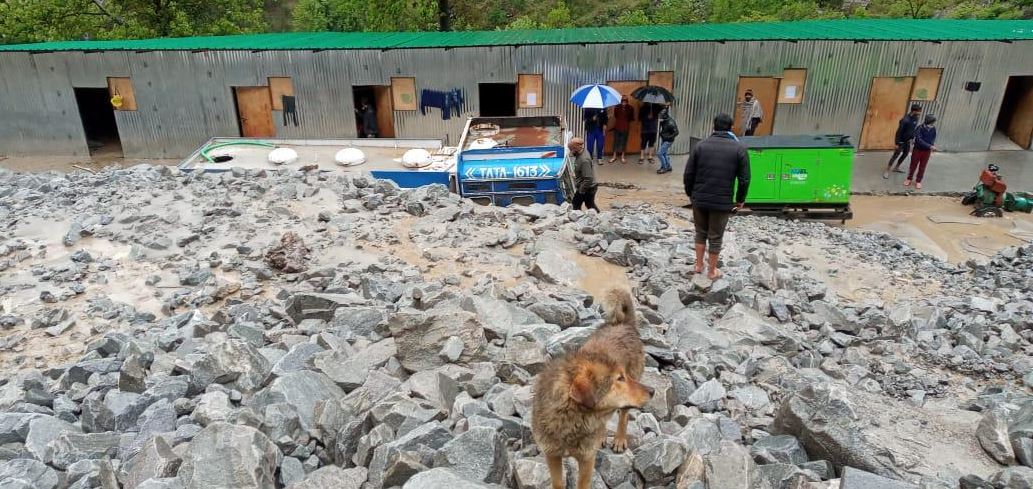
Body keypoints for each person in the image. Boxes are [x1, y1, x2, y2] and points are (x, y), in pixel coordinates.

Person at [683, 113, 750, 280]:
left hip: (700, 198)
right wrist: (740, 199)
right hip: (722, 201)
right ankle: (712, 271)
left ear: (713, 126)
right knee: (715, 236)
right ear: (731, 128)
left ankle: (698, 265)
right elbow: (744, 179)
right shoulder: (739, 149)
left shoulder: (700, 146)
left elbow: (688, 174)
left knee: (700, 232)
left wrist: (691, 194)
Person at [884, 104, 922, 179]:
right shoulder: (905, 120)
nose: (920, 113)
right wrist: (897, 143)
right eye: (919, 111)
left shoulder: (915, 118)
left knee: (905, 154)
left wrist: (912, 137)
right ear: (914, 111)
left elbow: (912, 130)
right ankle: (887, 171)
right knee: (895, 155)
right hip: (901, 142)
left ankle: (896, 168)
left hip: (908, 141)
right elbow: (899, 132)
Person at [905, 114, 938, 190]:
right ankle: (909, 178)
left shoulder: (933, 129)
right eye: (932, 122)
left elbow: (933, 138)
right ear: (929, 121)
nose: (933, 124)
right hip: (918, 149)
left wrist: (931, 148)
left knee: (923, 166)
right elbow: (918, 140)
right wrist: (929, 146)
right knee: (913, 165)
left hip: (927, 151)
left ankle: (918, 181)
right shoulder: (920, 128)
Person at [568, 137, 599, 211]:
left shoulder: (584, 160)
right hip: (589, 186)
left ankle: (577, 218)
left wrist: (581, 190)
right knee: (589, 204)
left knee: (575, 204)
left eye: (572, 149)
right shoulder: (582, 152)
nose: (571, 152)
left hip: (587, 188)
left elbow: (588, 178)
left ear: (578, 147)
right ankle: (598, 216)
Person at [609, 97, 635, 164]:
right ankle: (614, 156)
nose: (624, 103)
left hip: (625, 127)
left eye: (625, 102)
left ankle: (622, 156)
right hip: (617, 127)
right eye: (623, 101)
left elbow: (631, 118)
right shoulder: (617, 107)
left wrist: (626, 121)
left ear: (627, 102)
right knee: (615, 141)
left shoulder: (630, 108)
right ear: (621, 101)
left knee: (624, 142)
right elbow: (616, 115)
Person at [657, 105, 679, 174]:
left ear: (665, 115)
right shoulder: (664, 121)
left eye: (661, 116)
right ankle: (668, 166)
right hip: (664, 139)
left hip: (668, 141)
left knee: (659, 153)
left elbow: (676, 132)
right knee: (664, 154)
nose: (660, 117)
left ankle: (664, 168)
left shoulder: (670, 123)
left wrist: (668, 137)